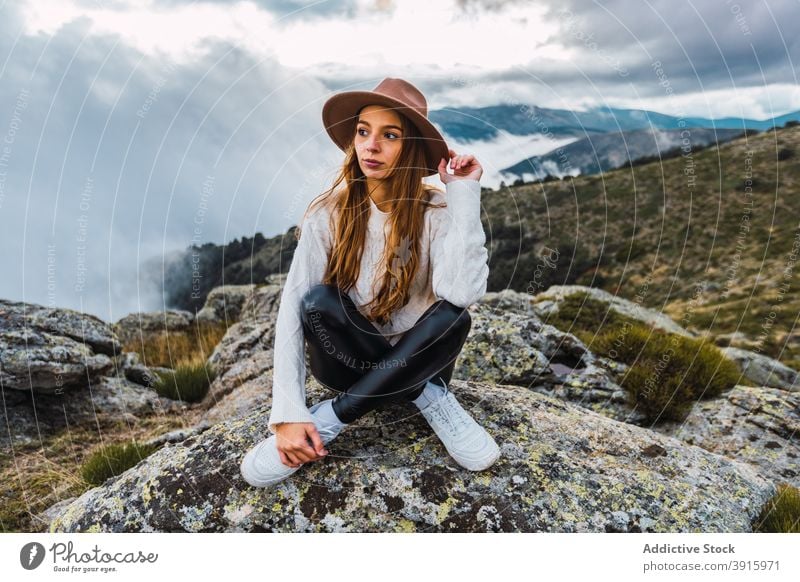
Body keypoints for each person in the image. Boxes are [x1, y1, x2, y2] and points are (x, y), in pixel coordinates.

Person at [240, 77, 500, 488]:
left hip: (421, 359)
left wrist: (464, 193)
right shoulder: (328, 214)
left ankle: (336, 417)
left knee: (454, 317)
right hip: (346, 364)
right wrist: (288, 414)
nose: (370, 146)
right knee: (318, 302)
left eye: (389, 135)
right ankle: (425, 395)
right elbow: (292, 306)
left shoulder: (437, 210)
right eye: (363, 131)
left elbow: (462, 293)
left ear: (410, 147)